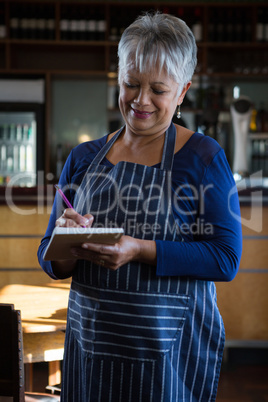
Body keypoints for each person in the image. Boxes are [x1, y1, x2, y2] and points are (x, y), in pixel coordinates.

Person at [38, 11, 242, 402]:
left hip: (169, 360)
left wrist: (139, 250)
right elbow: (50, 260)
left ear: (182, 92)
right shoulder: (84, 158)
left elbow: (225, 258)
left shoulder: (202, 156)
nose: (140, 100)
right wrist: (66, 241)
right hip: (91, 352)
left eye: (158, 90)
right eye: (131, 84)